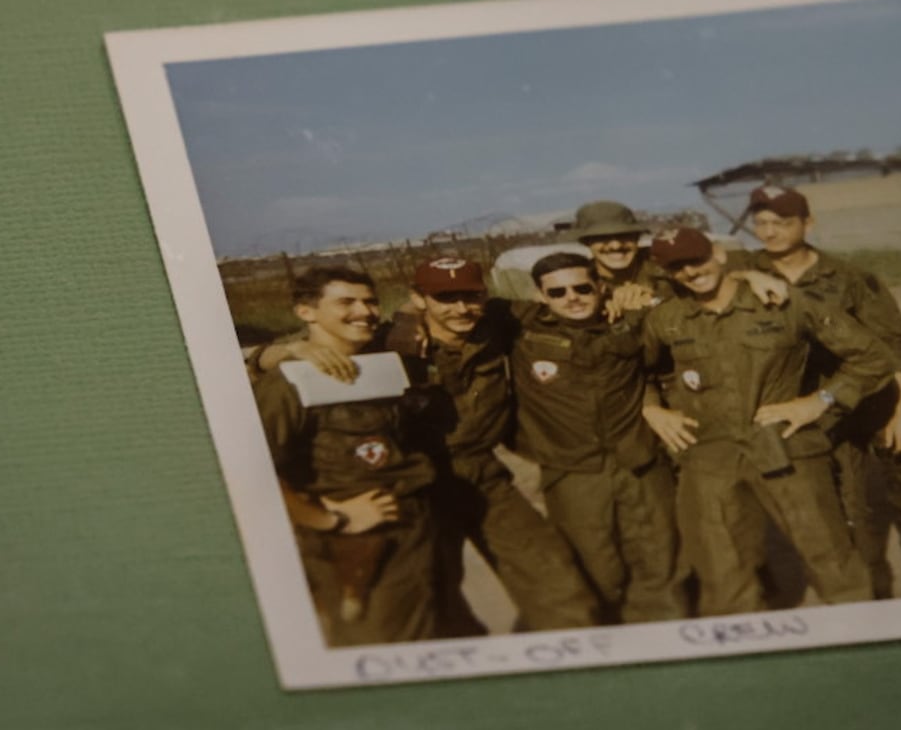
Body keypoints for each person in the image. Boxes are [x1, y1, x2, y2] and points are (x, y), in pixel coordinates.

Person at [640, 228, 898, 615]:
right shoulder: (667, 317)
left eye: (696, 259)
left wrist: (819, 401)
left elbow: (873, 357)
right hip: (711, 456)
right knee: (724, 575)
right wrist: (651, 408)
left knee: (832, 562)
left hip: (785, 447)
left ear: (719, 254)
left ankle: (868, 644)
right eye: (677, 267)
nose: (691, 272)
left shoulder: (783, 302)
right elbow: (634, 371)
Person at [744, 185, 901, 598]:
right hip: (820, 409)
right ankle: (874, 598)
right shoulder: (743, 271)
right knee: (850, 511)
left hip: (877, 397)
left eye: (782, 222)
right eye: (762, 223)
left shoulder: (851, 278)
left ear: (807, 223)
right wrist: (744, 273)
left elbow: (893, 342)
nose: (771, 232)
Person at [389, 257, 598, 635]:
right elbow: (283, 358)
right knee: (430, 598)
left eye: (471, 296)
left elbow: (559, 309)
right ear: (419, 299)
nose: (460, 308)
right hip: (419, 484)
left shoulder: (496, 323)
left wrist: (614, 295)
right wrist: (274, 354)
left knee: (556, 581)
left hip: (484, 475)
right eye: (445, 298)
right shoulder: (390, 343)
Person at [248, 267, 437, 646]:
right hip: (359, 547)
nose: (365, 312)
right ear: (306, 312)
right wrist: (330, 520)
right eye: (346, 302)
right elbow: (251, 472)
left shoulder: (381, 360)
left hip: (415, 533)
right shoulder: (289, 382)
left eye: (370, 301)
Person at [509, 251, 687, 623]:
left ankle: (665, 647)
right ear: (540, 297)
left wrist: (639, 296)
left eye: (582, 288)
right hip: (574, 471)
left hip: (637, 461)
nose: (571, 298)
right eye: (557, 293)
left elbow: (688, 307)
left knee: (660, 560)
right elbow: (450, 313)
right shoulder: (519, 329)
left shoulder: (630, 320)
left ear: (600, 287)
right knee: (593, 568)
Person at [571, 199, 679, 305]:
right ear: (587, 242)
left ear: (636, 238)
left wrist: (653, 299)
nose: (616, 245)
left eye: (624, 235)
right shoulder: (577, 279)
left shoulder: (663, 263)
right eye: (603, 237)